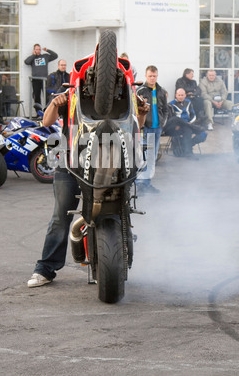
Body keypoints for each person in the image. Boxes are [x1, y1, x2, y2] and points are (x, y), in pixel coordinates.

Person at [27, 85, 149, 288]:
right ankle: (45, 269)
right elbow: (47, 121)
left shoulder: (124, 95)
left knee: (119, 210)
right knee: (60, 216)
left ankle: (112, 260)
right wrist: (55, 104)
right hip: (70, 164)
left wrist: (142, 112)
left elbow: (137, 126)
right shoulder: (72, 94)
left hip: (110, 165)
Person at [135, 65, 168, 194]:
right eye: (150, 76)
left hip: (157, 129)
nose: (152, 78)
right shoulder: (140, 91)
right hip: (145, 128)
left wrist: (163, 123)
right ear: (146, 76)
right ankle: (139, 183)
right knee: (142, 156)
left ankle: (147, 183)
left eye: (154, 76)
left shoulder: (161, 91)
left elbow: (165, 109)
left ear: (157, 76)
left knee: (152, 157)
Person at [164, 88, 207, 159]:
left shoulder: (188, 102)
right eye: (179, 95)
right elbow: (171, 119)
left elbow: (193, 115)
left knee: (203, 134)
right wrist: (183, 125)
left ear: (185, 95)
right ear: (176, 95)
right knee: (179, 121)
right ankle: (189, 153)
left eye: (182, 95)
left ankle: (185, 146)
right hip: (177, 126)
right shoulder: (171, 104)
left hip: (188, 125)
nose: (180, 97)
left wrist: (190, 122)